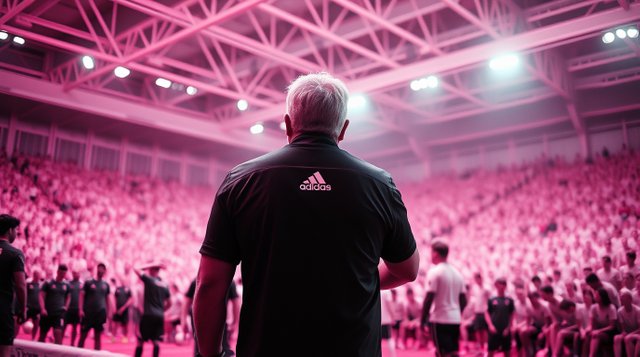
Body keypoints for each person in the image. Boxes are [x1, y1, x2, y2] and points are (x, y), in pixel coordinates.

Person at [194, 72, 419, 357]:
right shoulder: (379, 184)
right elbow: (407, 270)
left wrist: (212, 354)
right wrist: (361, 279)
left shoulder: (240, 181)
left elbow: (211, 283)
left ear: (288, 124)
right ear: (343, 129)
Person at [421, 240, 466, 357]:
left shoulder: (435, 272)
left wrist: (423, 320)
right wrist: (456, 312)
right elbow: (464, 300)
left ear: (435, 253)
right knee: (453, 352)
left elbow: (429, 298)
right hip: (455, 319)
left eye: (431, 252)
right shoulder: (458, 273)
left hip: (440, 319)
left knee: (442, 353)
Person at [0, 214, 26, 357]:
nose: (16, 233)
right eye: (16, 230)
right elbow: (20, 285)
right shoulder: (15, 254)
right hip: (3, 310)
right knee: (4, 351)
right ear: (10, 230)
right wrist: (23, 309)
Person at [134, 263, 171, 357]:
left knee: (140, 340)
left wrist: (149, 265)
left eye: (150, 269)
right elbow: (170, 302)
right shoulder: (164, 284)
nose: (148, 271)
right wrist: (162, 310)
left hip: (148, 315)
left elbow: (136, 268)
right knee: (156, 341)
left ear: (153, 270)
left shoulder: (149, 280)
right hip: (159, 316)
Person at [78, 263, 110, 350]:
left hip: (100, 314)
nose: (101, 270)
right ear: (97, 269)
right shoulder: (88, 282)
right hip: (88, 314)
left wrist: (107, 313)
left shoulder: (106, 284)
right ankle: (77, 354)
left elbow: (107, 299)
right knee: (83, 335)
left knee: (97, 337)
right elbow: (81, 295)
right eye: (99, 268)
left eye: (103, 269)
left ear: (105, 271)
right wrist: (80, 309)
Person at [38, 264, 70, 344]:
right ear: (58, 272)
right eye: (61, 273)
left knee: (58, 333)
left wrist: (66, 307)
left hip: (58, 313)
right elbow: (41, 296)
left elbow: (69, 297)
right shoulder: (48, 283)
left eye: (64, 274)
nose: (63, 275)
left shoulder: (66, 285)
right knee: (42, 335)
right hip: (47, 313)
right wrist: (42, 308)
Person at [485, 278, 515, 357]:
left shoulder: (509, 300)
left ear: (505, 286)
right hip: (494, 328)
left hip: (505, 329)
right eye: (499, 284)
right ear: (496, 285)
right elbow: (487, 313)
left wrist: (508, 328)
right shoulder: (492, 299)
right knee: (491, 351)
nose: (501, 286)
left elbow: (512, 314)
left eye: (503, 284)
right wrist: (490, 325)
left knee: (507, 351)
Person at [587, 288, 618, 357]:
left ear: (602, 297)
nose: (594, 296)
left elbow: (612, 326)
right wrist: (589, 329)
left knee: (596, 335)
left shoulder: (611, 307)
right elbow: (591, 323)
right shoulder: (593, 307)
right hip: (598, 330)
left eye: (596, 295)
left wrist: (599, 331)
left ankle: (591, 355)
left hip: (609, 332)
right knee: (588, 335)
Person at [614, 289, 640, 357]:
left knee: (628, 338)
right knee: (616, 338)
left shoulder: (637, 311)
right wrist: (623, 331)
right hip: (628, 333)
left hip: (637, 333)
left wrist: (631, 334)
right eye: (621, 299)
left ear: (630, 299)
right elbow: (623, 327)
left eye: (624, 299)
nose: (622, 300)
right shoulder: (620, 311)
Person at [111, 279, 133, 343]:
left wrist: (124, 307)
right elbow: (114, 298)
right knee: (115, 323)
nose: (123, 281)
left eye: (125, 280)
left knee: (125, 324)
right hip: (117, 309)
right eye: (122, 280)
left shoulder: (128, 290)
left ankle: (125, 337)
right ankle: (113, 337)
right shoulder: (118, 289)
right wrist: (114, 307)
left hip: (125, 310)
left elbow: (131, 299)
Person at [64, 269, 82, 346]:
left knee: (75, 327)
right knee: (64, 325)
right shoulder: (68, 284)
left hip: (77, 308)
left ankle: (72, 343)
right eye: (74, 273)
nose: (76, 275)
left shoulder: (82, 284)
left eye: (77, 273)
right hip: (68, 308)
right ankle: (59, 343)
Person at [26, 270, 42, 340]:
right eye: (37, 275)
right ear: (34, 275)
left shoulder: (41, 285)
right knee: (20, 321)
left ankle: (33, 338)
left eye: (39, 275)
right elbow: (25, 295)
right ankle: (14, 336)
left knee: (36, 324)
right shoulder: (29, 284)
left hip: (37, 308)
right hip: (28, 307)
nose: (38, 276)